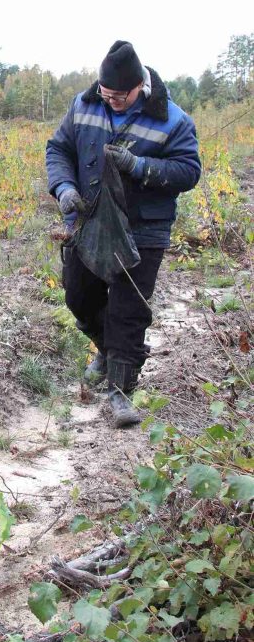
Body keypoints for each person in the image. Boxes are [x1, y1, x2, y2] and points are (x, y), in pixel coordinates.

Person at [46, 41, 201, 427]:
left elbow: (188, 171)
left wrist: (140, 166)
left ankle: (121, 390)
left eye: (119, 96)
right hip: (89, 222)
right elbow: (58, 149)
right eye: (106, 93)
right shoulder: (83, 106)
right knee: (79, 297)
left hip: (143, 229)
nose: (112, 100)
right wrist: (64, 188)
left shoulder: (173, 121)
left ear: (139, 87)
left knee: (128, 312)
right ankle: (106, 349)